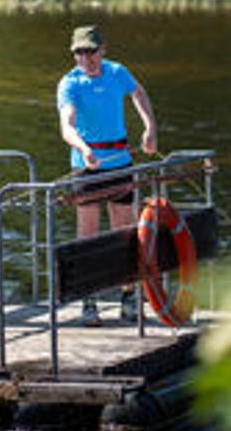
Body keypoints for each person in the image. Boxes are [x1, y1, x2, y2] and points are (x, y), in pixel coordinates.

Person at [57, 25, 157, 326]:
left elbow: (139, 93)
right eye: (79, 53)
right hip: (87, 167)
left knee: (124, 230)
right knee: (88, 233)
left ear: (103, 50)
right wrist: (83, 147)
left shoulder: (117, 72)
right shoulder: (69, 83)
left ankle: (128, 297)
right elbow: (67, 124)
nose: (86, 59)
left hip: (121, 163)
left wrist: (150, 127)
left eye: (90, 51)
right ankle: (89, 300)